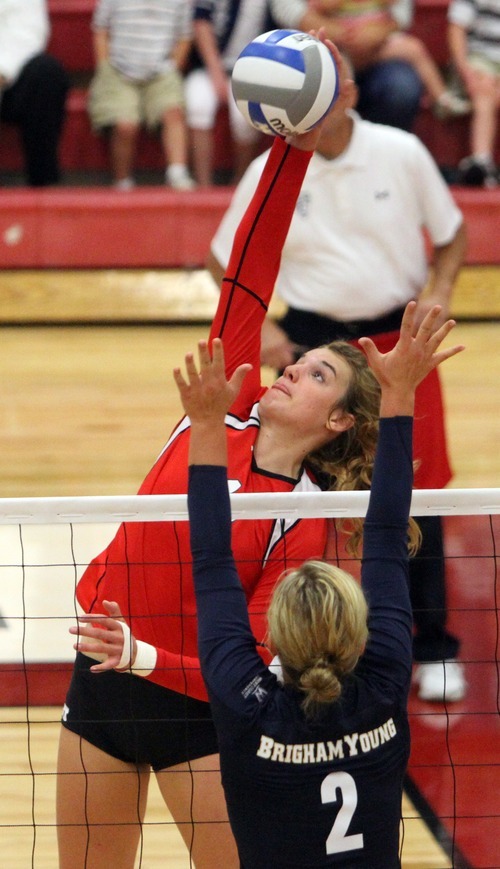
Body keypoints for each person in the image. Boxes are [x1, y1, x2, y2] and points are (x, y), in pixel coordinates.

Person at [56, 45, 386, 869]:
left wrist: (142, 655)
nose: (287, 369)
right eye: (294, 359)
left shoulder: (307, 523)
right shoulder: (221, 416)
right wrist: (293, 150)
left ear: (339, 419)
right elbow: (248, 273)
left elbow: (256, 676)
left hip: (198, 714)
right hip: (99, 683)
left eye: (314, 373)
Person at [208, 63, 468, 704]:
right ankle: (307, 644)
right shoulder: (272, 169)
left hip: (394, 342)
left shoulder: (400, 152)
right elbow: (226, 252)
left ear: (349, 92)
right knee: (304, 493)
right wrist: (266, 330)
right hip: (311, 346)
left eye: (332, 82)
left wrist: (438, 292)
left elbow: (454, 234)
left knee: (417, 487)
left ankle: (432, 645)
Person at [172, 304, 464, 867]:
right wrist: (401, 393)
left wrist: (204, 425)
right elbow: (383, 536)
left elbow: (208, 559)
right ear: (358, 636)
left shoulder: (253, 705)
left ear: (272, 641)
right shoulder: (379, 687)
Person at [268, 0, 424, 131]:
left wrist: (382, 30)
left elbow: (401, 10)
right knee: (316, 90)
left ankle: (387, 156)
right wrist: (329, 29)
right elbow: (288, 7)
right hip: (318, 49)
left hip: (379, 51)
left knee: (401, 88)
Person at [88, 0, 195, 190]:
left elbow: (185, 36)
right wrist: (105, 67)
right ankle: (122, 182)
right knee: (125, 125)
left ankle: (177, 174)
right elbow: (101, 29)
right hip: (117, 71)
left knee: (174, 112)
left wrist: (173, 67)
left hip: (162, 72)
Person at [308, 0, 470, 119]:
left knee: (414, 48)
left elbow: (397, 7)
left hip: (379, 45)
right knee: (339, 72)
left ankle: (442, 100)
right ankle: (342, 119)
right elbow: (318, 6)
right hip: (340, 45)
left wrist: (376, 34)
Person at [184, 0, 269, 186]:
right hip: (208, 67)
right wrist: (216, 72)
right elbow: (200, 22)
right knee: (198, 104)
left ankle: (241, 182)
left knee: (246, 115)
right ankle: (203, 184)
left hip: (255, 70)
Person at [0, 0, 69, 187]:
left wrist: (3, 71)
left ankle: (42, 183)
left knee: (47, 73)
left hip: (10, 77)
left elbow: (28, 34)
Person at [448, 0, 500, 188]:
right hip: (477, 61)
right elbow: (456, 30)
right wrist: (467, 74)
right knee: (485, 91)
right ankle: (481, 162)